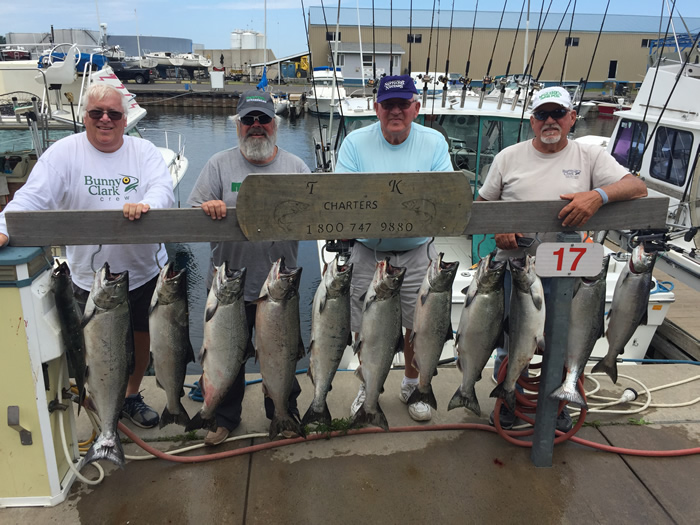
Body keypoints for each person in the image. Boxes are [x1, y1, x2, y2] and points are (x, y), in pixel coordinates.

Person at [0, 83, 176, 428]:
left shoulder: (145, 151)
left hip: (144, 272)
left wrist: (147, 206)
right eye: (97, 113)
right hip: (89, 277)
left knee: (142, 337)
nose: (105, 119)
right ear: (85, 117)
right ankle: (102, 407)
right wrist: (4, 226)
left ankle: (130, 394)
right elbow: (29, 200)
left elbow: (163, 190)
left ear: (125, 119)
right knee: (94, 349)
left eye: (114, 113)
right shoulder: (63, 153)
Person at [477, 85, 648, 430]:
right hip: (517, 268)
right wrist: (500, 229)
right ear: (532, 121)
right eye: (542, 115)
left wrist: (598, 196)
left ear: (572, 118)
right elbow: (483, 207)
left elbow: (637, 187)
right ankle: (510, 399)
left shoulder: (591, 157)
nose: (550, 121)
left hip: (569, 271)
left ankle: (558, 405)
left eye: (558, 114)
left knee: (566, 338)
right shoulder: (507, 158)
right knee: (512, 339)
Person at [187, 90, 310, 445]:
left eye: (263, 119)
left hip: (279, 288)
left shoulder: (296, 166)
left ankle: (284, 412)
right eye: (248, 120)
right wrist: (207, 207)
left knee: (282, 353)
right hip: (229, 287)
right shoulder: (217, 165)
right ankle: (223, 417)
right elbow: (192, 213)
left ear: (275, 123)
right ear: (238, 126)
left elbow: (316, 216)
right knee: (229, 355)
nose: (256, 126)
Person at [335, 74, 453, 422]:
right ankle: (367, 384)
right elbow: (342, 195)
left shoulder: (434, 142)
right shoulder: (355, 142)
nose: (396, 111)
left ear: (416, 108)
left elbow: (445, 193)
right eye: (389, 105)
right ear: (377, 108)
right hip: (369, 251)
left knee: (419, 323)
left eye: (403, 104)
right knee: (364, 323)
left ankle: (413, 382)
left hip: (418, 250)